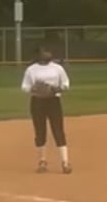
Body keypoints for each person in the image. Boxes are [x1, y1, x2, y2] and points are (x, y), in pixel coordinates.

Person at [21, 46, 73, 174]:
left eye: (48, 51)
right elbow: (24, 86)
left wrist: (56, 89)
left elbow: (66, 84)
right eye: (45, 52)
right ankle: (42, 161)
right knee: (40, 131)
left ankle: (65, 162)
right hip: (37, 101)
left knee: (58, 130)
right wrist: (34, 89)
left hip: (53, 101)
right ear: (38, 54)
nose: (48, 54)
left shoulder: (57, 68)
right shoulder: (31, 69)